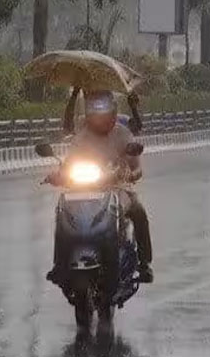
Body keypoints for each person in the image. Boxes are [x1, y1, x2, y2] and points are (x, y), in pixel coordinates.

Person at [48, 89, 154, 284]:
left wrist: (132, 173)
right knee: (61, 212)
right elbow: (69, 161)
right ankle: (59, 264)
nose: (99, 116)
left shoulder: (123, 134)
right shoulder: (81, 135)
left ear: (113, 112)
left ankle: (144, 262)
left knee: (139, 211)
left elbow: (136, 166)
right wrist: (58, 175)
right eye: (94, 110)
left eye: (103, 109)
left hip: (117, 188)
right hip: (84, 190)